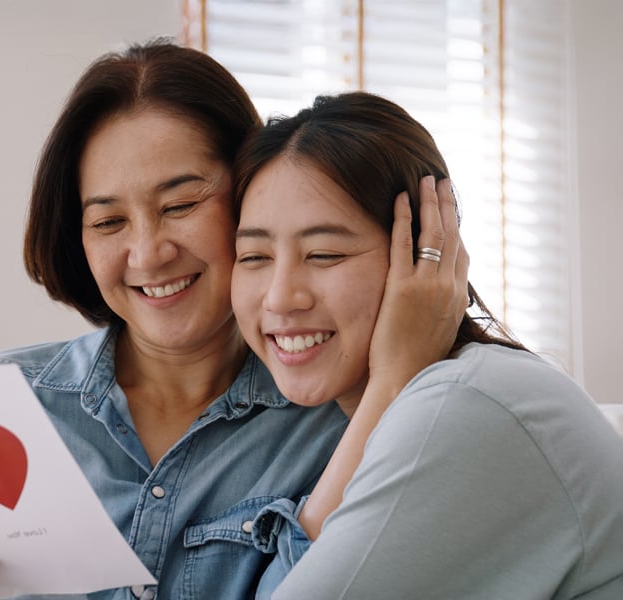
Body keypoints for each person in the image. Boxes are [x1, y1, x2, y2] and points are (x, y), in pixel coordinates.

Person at [0, 41, 445, 600]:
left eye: (181, 205)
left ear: (251, 195)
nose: (148, 253)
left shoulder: (343, 421)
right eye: (109, 222)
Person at [230, 92, 623, 599]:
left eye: (324, 254)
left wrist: (393, 375)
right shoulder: (357, 416)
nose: (282, 297)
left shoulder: (466, 400)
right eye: (254, 256)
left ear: (424, 254)